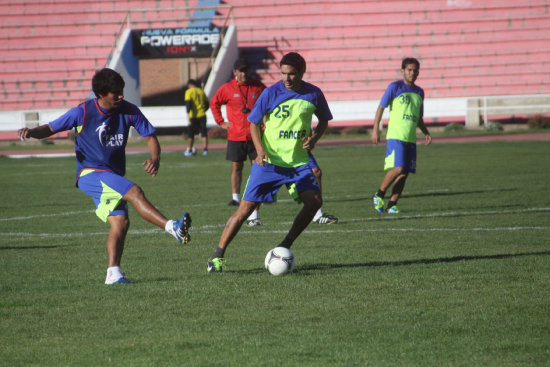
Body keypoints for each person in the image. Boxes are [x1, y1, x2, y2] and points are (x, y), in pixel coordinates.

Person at [17, 68, 192, 285]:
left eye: (121, 91)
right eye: (115, 93)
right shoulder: (82, 112)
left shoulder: (129, 110)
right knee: (135, 191)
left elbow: (150, 137)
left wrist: (155, 158)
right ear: (100, 94)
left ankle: (113, 274)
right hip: (90, 173)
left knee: (120, 222)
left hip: (112, 174)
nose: (120, 96)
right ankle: (172, 227)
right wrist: (32, 132)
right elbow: (51, 128)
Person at [207, 52, 332, 273]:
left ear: (302, 72)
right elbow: (253, 122)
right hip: (270, 162)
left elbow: (324, 120)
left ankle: (285, 244)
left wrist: (314, 138)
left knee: (314, 202)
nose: (287, 78)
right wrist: (259, 150)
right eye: (283, 73)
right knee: (245, 209)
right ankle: (217, 255)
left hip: (298, 162)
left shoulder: (314, 93)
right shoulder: (271, 93)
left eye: (292, 74)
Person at [371, 57, 432, 213]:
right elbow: (380, 108)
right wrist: (375, 129)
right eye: (409, 70)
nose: (412, 73)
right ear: (402, 71)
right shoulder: (395, 87)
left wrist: (426, 132)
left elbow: (419, 118)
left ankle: (392, 205)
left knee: (405, 172)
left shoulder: (420, 92)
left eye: (415, 70)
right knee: (398, 168)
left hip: (411, 138)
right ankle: (379, 194)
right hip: (396, 135)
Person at [210, 58, 266, 226]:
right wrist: (221, 122)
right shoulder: (227, 88)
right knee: (237, 166)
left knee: (258, 170)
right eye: (240, 71)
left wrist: (265, 122)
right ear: (235, 72)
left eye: (246, 70)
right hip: (236, 135)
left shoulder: (258, 87)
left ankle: (254, 213)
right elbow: (214, 103)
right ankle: (235, 197)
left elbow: (269, 104)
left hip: (255, 136)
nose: (243, 74)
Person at [183, 79, 209, 156]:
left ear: (189, 85)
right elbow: (207, 104)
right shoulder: (201, 91)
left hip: (193, 115)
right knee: (203, 132)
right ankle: (205, 150)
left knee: (191, 133)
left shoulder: (189, 92)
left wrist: (188, 113)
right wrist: (203, 110)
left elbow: (188, 103)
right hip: (202, 114)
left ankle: (190, 149)